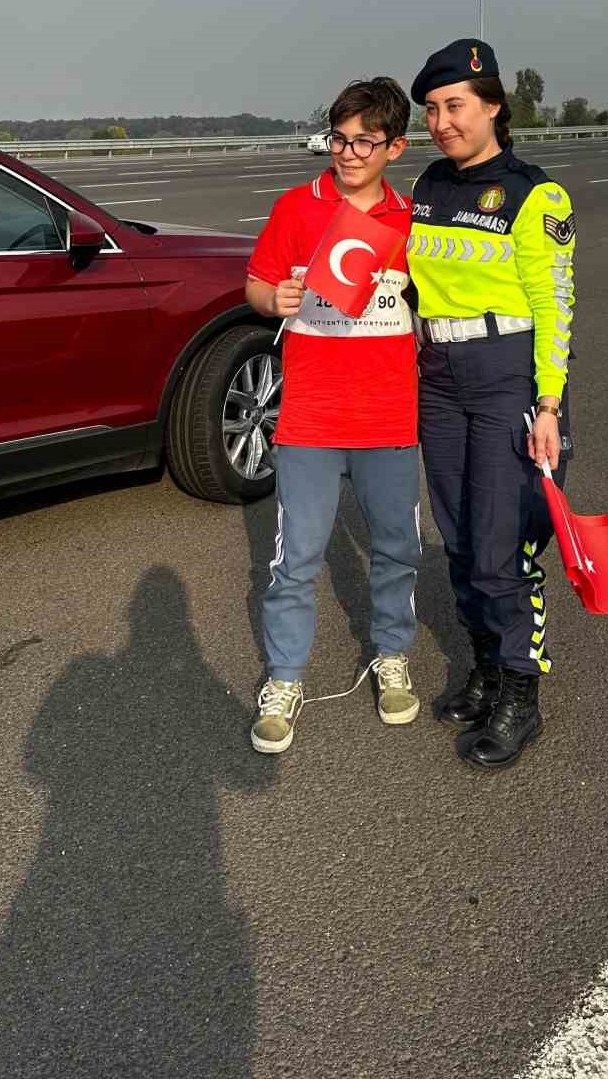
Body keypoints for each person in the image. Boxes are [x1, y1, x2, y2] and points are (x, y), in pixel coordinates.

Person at [406, 38, 575, 771]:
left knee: (503, 547)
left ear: (493, 106)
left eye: (456, 107)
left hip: (507, 371)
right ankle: (483, 669)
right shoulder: (428, 186)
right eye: (433, 110)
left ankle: (520, 694)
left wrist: (549, 404)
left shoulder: (537, 195)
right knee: (462, 538)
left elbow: (555, 302)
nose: (442, 122)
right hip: (438, 373)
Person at [245, 77, 421, 754]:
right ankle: (285, 679)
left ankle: (392, 656)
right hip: (311, 420)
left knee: (396, 551)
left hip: (388, 420)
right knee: (296, 559)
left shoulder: (411, 219)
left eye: (364, 143)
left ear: (394, 146)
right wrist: (274, 298)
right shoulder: (297, 206)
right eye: (339, 139)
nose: (347, 154)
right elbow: (256, 284)